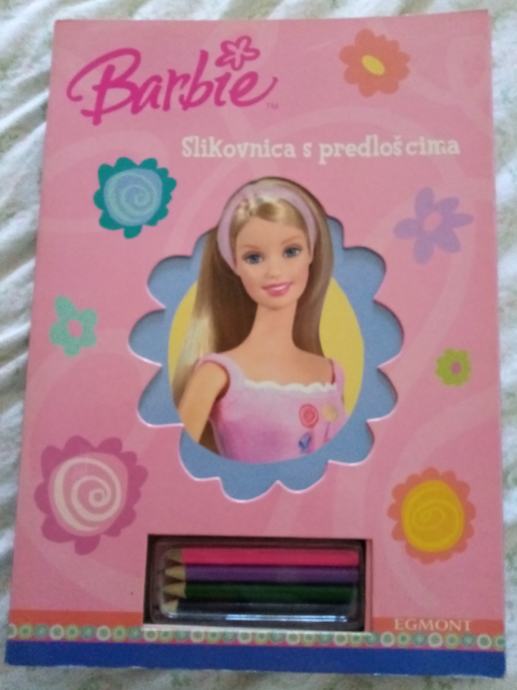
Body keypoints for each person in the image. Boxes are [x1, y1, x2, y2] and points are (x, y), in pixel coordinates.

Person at [173, 177, 346, 462]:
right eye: (254, 258)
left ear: (311, 253)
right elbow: (171, 459)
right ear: (235, 265)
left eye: (291, 251)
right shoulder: (218, 375)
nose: (274, 271)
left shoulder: (331, 374)